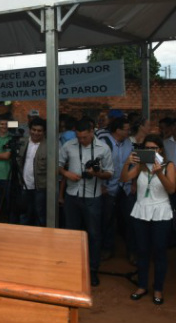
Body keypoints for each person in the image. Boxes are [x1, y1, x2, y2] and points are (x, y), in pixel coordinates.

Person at [59, 119, 113, 287]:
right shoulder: (68, 145)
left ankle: (93, 270)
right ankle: (71, 269)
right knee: (71, 235)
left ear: (92, 131)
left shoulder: (103, 148)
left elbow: (110, 173)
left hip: (93, 197)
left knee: (94, 235)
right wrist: (66, 173)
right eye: (79, 137)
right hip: (72, 195)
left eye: (84, 137)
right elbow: (58, 165)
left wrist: (97, 174)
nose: (81, 140)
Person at [121, 135, 175, 305]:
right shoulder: (141, 166)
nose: (151, 151)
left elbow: (172, 189)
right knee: (142, 251)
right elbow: (124, 179)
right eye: (148, 148)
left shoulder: (168, 165)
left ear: (160, 150)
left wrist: (159, 173)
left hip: (161, 211)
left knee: (159, 251)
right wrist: (126, 163)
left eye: (154, 148)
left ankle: (158, 288)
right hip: (141, 211)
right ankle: (142, 285)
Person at [99, 118, 134, 262]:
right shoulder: (103, 142)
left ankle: (132, 251)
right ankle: (107, 249)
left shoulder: (128, 143)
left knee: (130, 219)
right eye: (126, 129)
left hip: (125, 186)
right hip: (109, 187)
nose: (129, 131)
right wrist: (101, 185)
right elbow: (98, 164)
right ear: (118, 130)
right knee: (108, 220)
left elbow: (133, 163)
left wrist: (134, 182)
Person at [17, 117, 47, 226]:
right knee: (24, 214)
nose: (36, 133)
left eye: (39, 131)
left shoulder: (49, 146)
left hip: (40, 187)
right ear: (29, 130)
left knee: (40, 215)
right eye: (33, 130)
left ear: (44, 132)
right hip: (24, 185)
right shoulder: (22, 142)